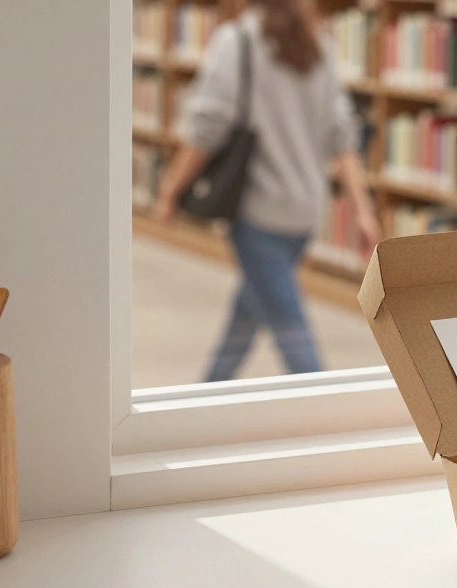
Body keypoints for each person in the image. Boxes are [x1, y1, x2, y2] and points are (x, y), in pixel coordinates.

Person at [154, 0, 381, 381]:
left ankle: (319, 413)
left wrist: (170, 190)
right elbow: (342, 135)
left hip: (259, 213)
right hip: (306, 212)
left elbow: (208, 128)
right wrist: (362, 209)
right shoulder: (317, 44)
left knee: (293, 335)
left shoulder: (238, 39)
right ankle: (210, 391)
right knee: (249, 309)